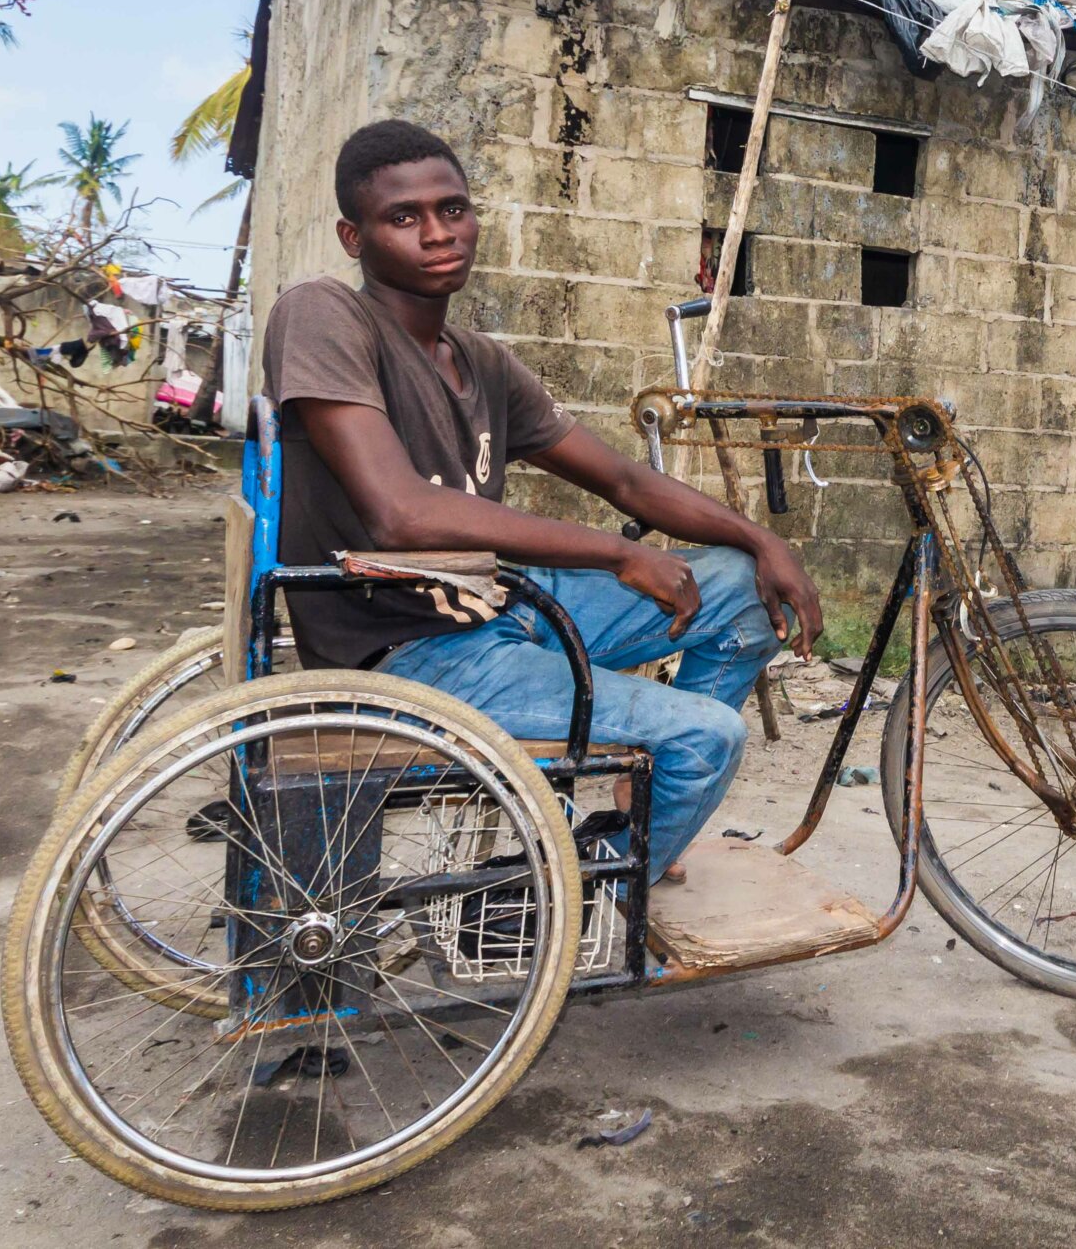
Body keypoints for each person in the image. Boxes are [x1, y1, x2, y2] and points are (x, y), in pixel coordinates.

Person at [261, 118, 823, 882]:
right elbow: (402, 512)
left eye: (452, 209)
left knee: (743, 587)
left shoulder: (479, 361)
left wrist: (763, 540)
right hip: (406, 652)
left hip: (498, 608)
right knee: (709, 737)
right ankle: (580, 889)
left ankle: (635, 805)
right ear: (353, 238)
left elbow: (625, 480)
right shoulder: (324, 314)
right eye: (404, 217)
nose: (437, 233)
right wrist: (623, 552)